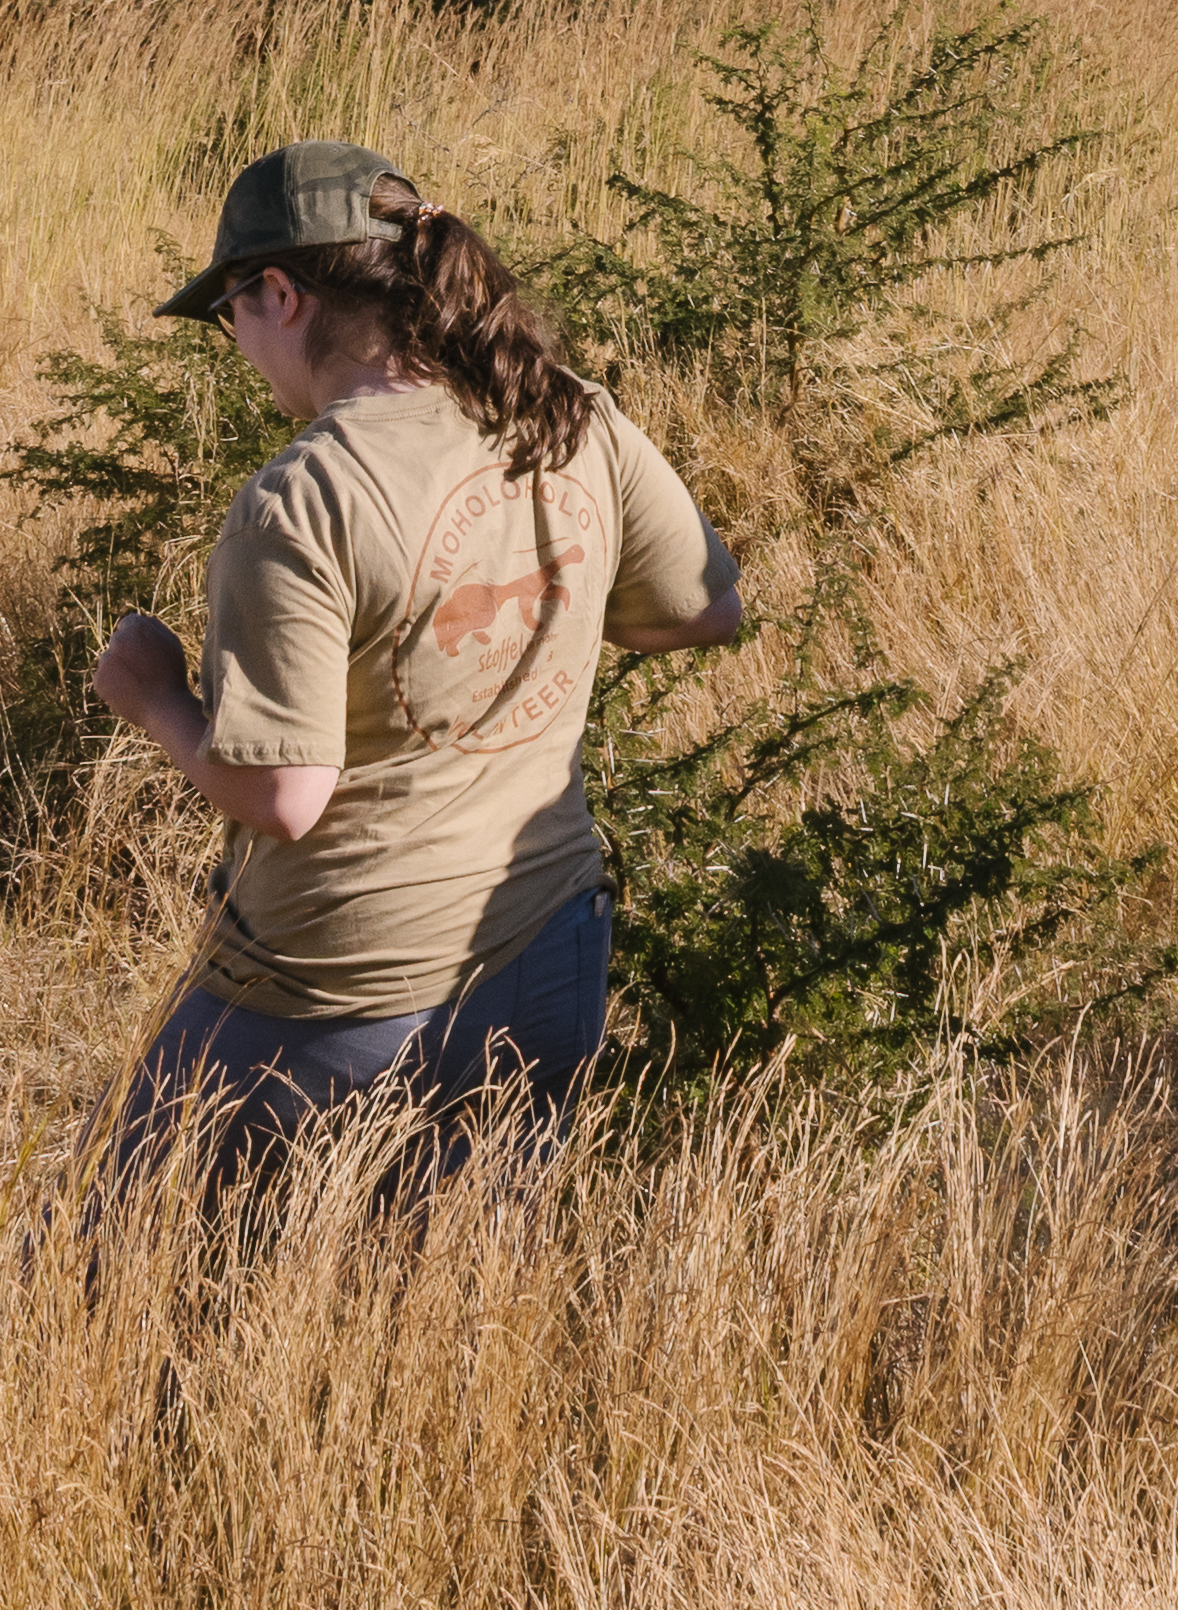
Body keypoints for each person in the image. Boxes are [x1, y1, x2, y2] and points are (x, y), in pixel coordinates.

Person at [87, 141, 747, 1191]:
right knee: (436, 1315)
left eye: (228, 317)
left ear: (277, 291)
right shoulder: (568, 413)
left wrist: (157, 700)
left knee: (105, 1292)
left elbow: (283, 794)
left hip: (333, 985)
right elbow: (707, 608)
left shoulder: (302, 497)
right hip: (546, 951)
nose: (238, 346)